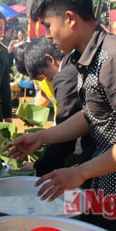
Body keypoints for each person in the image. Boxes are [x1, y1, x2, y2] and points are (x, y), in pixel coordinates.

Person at [5, 0, 116, 231]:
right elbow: (92, 116)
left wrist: (79, 172)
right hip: (105, 180)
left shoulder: (115, 59)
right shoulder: (87, 57)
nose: (47, 35)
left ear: (69, 19)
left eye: (48, 25)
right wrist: (41, 137)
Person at [21, 37, 95, 177]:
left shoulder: (65, 77)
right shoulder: (78, 61)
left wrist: (39, 167)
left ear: (49, 59)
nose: (48, 80)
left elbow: (65, 136)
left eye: (44, 74)